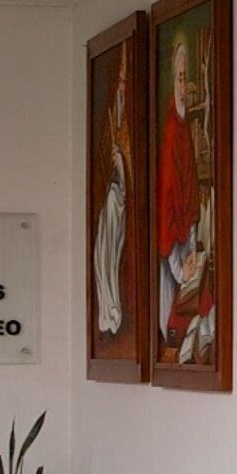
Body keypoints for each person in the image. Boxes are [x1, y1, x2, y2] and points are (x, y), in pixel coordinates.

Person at [153, 24, 217, 365]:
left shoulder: (183, 132)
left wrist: (191, 244)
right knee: (173, 311)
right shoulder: (170, 136)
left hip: (184, 240)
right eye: (179, 79)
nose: (183, 86)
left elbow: (189, 196)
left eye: (185, 78)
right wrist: (180, 265)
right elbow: (168, 203)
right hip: (172, 251)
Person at [90, 65, 132, 343]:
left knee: (110, 262)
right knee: (100, 260)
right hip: (109, 209)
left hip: (117, 207)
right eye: (118, 83)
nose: (120, 89)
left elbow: (126, 185)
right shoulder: (111, 127)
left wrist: (121, 163)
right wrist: (114, 161)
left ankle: (112, 314)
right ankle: (106, 314)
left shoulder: (127, 128)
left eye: (124, 84)